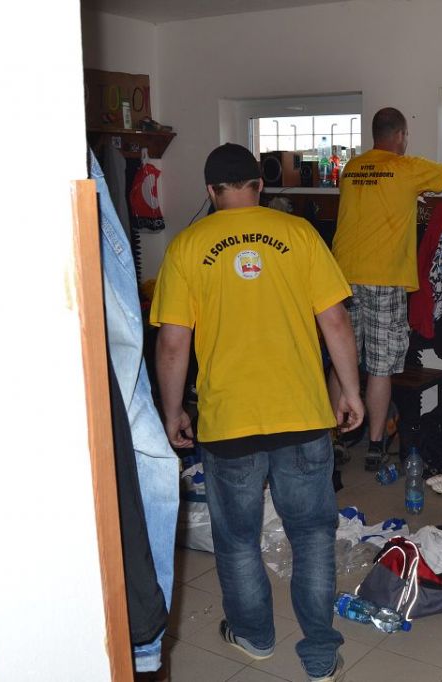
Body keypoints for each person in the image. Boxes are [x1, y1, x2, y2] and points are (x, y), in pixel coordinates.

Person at [151, 143, 363, 682]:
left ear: (210, 191)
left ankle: (254, 635)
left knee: (238, 537)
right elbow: (336, 322)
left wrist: (172, 411)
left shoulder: (186, 246)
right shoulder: (299, 234)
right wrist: (351, 391)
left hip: (229, 421)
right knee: (312, 535)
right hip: (302, 414)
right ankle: (320, 654)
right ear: (260, 185)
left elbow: (173, 344)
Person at [331, 107, 442, 471]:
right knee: (381, 366)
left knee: (342, 358)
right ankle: (375, 445)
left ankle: (336, 437)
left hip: (340, 278)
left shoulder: (351, 168)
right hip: (384, 278)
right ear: (400, 135)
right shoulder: (407, 167)